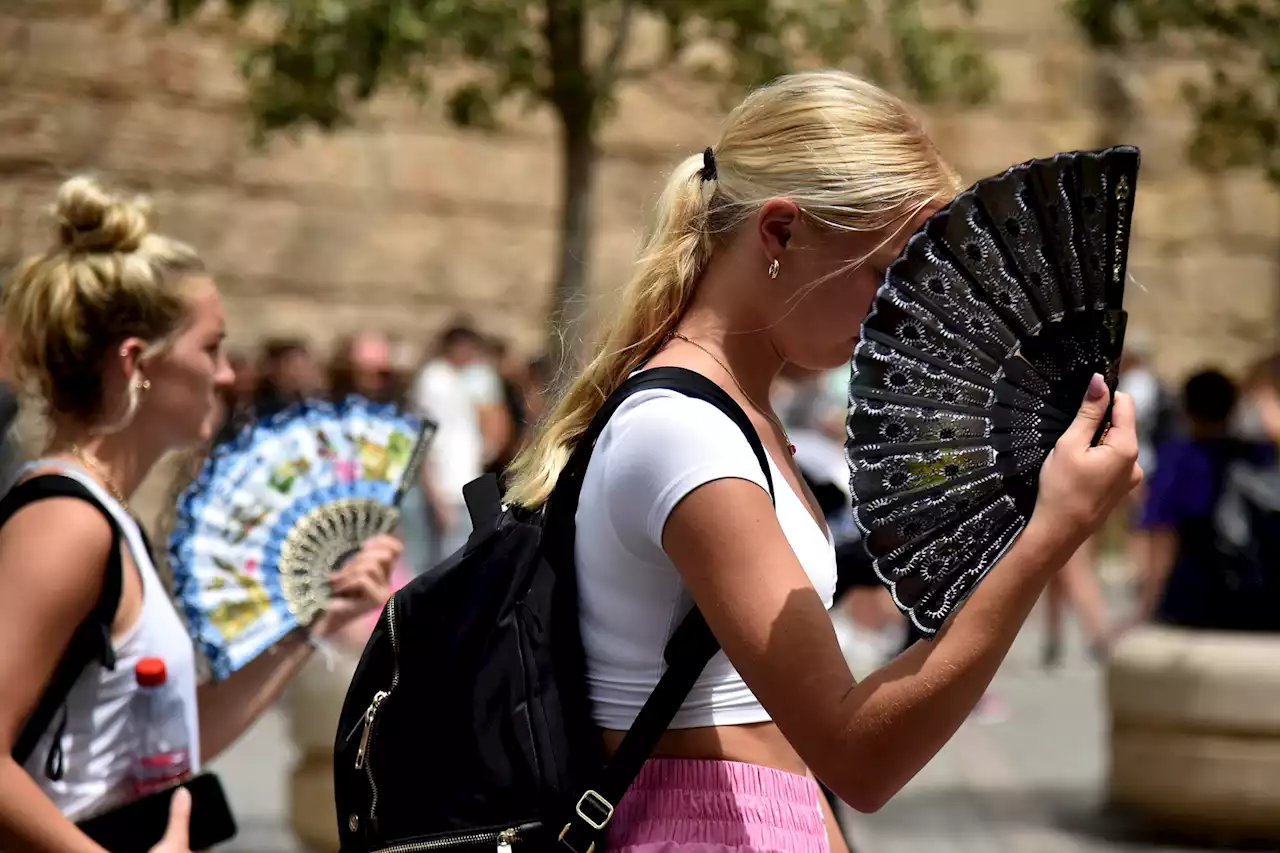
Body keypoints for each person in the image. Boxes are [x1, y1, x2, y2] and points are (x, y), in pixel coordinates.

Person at [503, 70, 1141, 853]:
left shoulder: (733, 419)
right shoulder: (684, 436)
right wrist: (1050, 537)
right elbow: (858, 756)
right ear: (778, 232)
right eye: (885, 275)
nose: (896, 314)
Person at [0, 176, 400, 853]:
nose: (225, 373)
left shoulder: (103, 515)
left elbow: (173, 746)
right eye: (210, 347)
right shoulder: (64, 522)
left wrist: (312, 624)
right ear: (138, 363)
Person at [1125, 369, 1275, 631]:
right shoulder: (1259, 455)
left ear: (1186, 408)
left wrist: (1147, 607)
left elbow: (1163, 536)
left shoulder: (1179, 458)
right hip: (1262, 602)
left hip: (1196, 603)